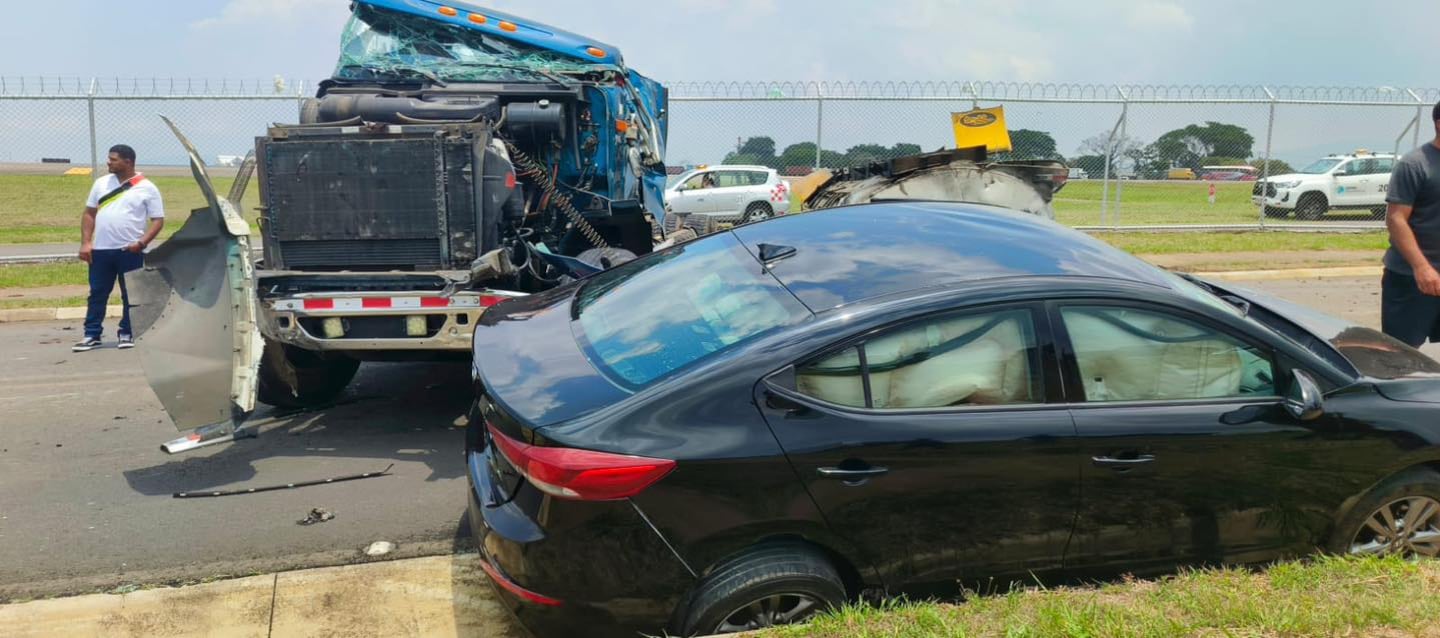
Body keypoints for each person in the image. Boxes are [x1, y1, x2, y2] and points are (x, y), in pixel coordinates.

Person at [72, 145, 165, 352]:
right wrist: (86, 242)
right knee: (97, 293)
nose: (108, 162)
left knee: (130, 294)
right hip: (101, 251)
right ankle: (91, 334)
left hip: (129, 251)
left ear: (128, 162)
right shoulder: (101, 184)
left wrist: (142, 243)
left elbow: (158, 220)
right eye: (109, 158)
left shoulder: (147, 188)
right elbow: (89, 214)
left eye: (113, 159)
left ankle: (127, 332)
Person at [1382, 102, 1440, 347]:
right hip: (1412, 278)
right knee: (1399, 355)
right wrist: (1422, 267)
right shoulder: (1415, 164)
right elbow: (1396, 219)